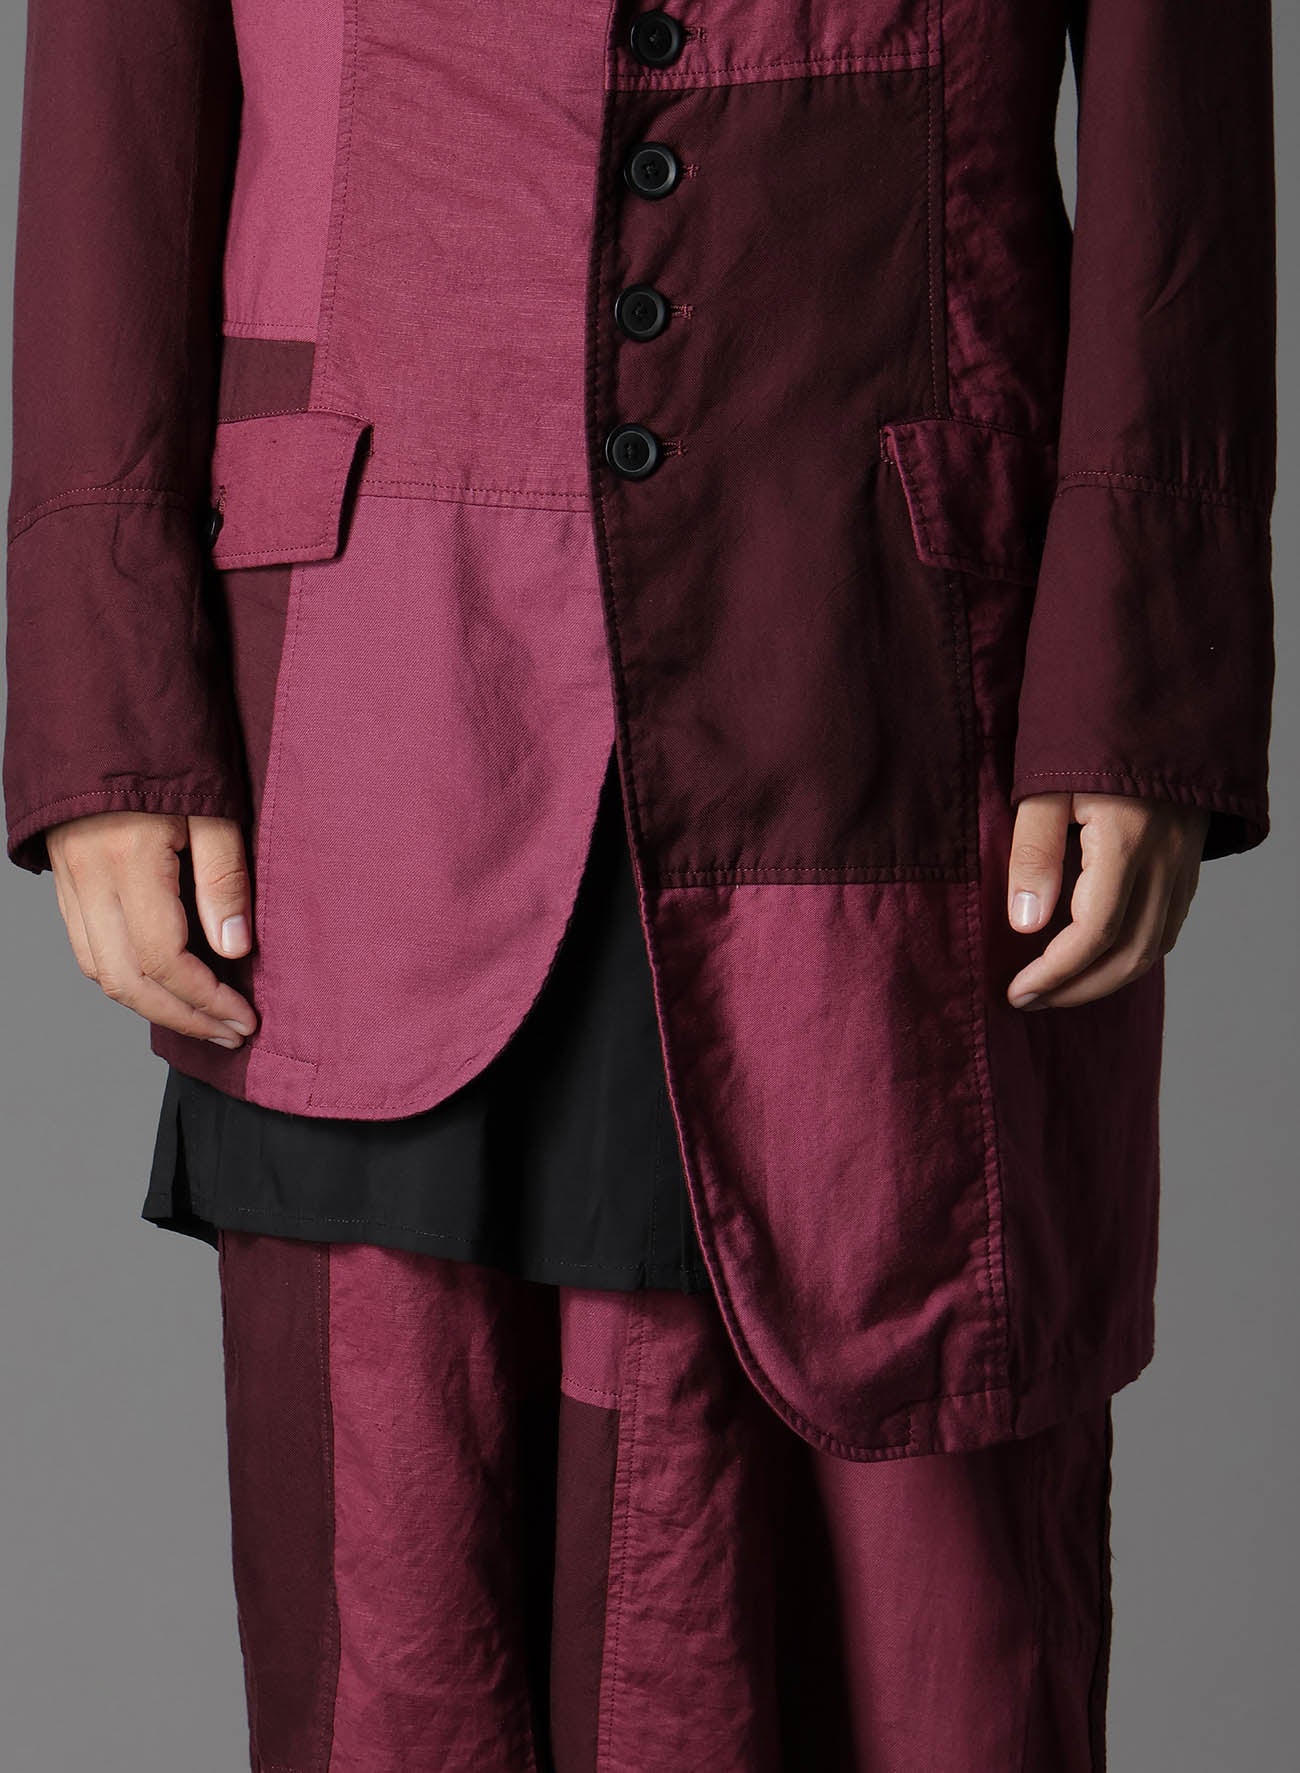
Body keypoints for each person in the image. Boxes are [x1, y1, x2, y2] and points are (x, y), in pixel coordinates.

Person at [3, 2, 1276, 1768]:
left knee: (930, 1647)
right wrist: (108, 688)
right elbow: (115, 83)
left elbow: (1180, 97)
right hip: (374, 703)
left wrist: (1141, 660)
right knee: (391, 1636)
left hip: (887, 690)